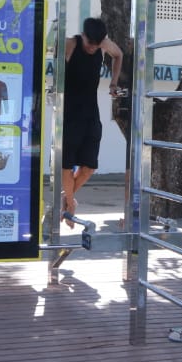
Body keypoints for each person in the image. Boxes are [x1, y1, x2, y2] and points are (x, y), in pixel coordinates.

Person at [61, 17, 123, 227]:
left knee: (89, 167)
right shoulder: (71, 44)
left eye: (96, 46)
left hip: (90, 111)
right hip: (69, 112)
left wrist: (113, 82)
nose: (92, 48)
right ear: (83, 36)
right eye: (89, 44)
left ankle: (67, 199)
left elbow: (119, 55)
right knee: (67, 166)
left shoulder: (104, 44)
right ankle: (70, 204)